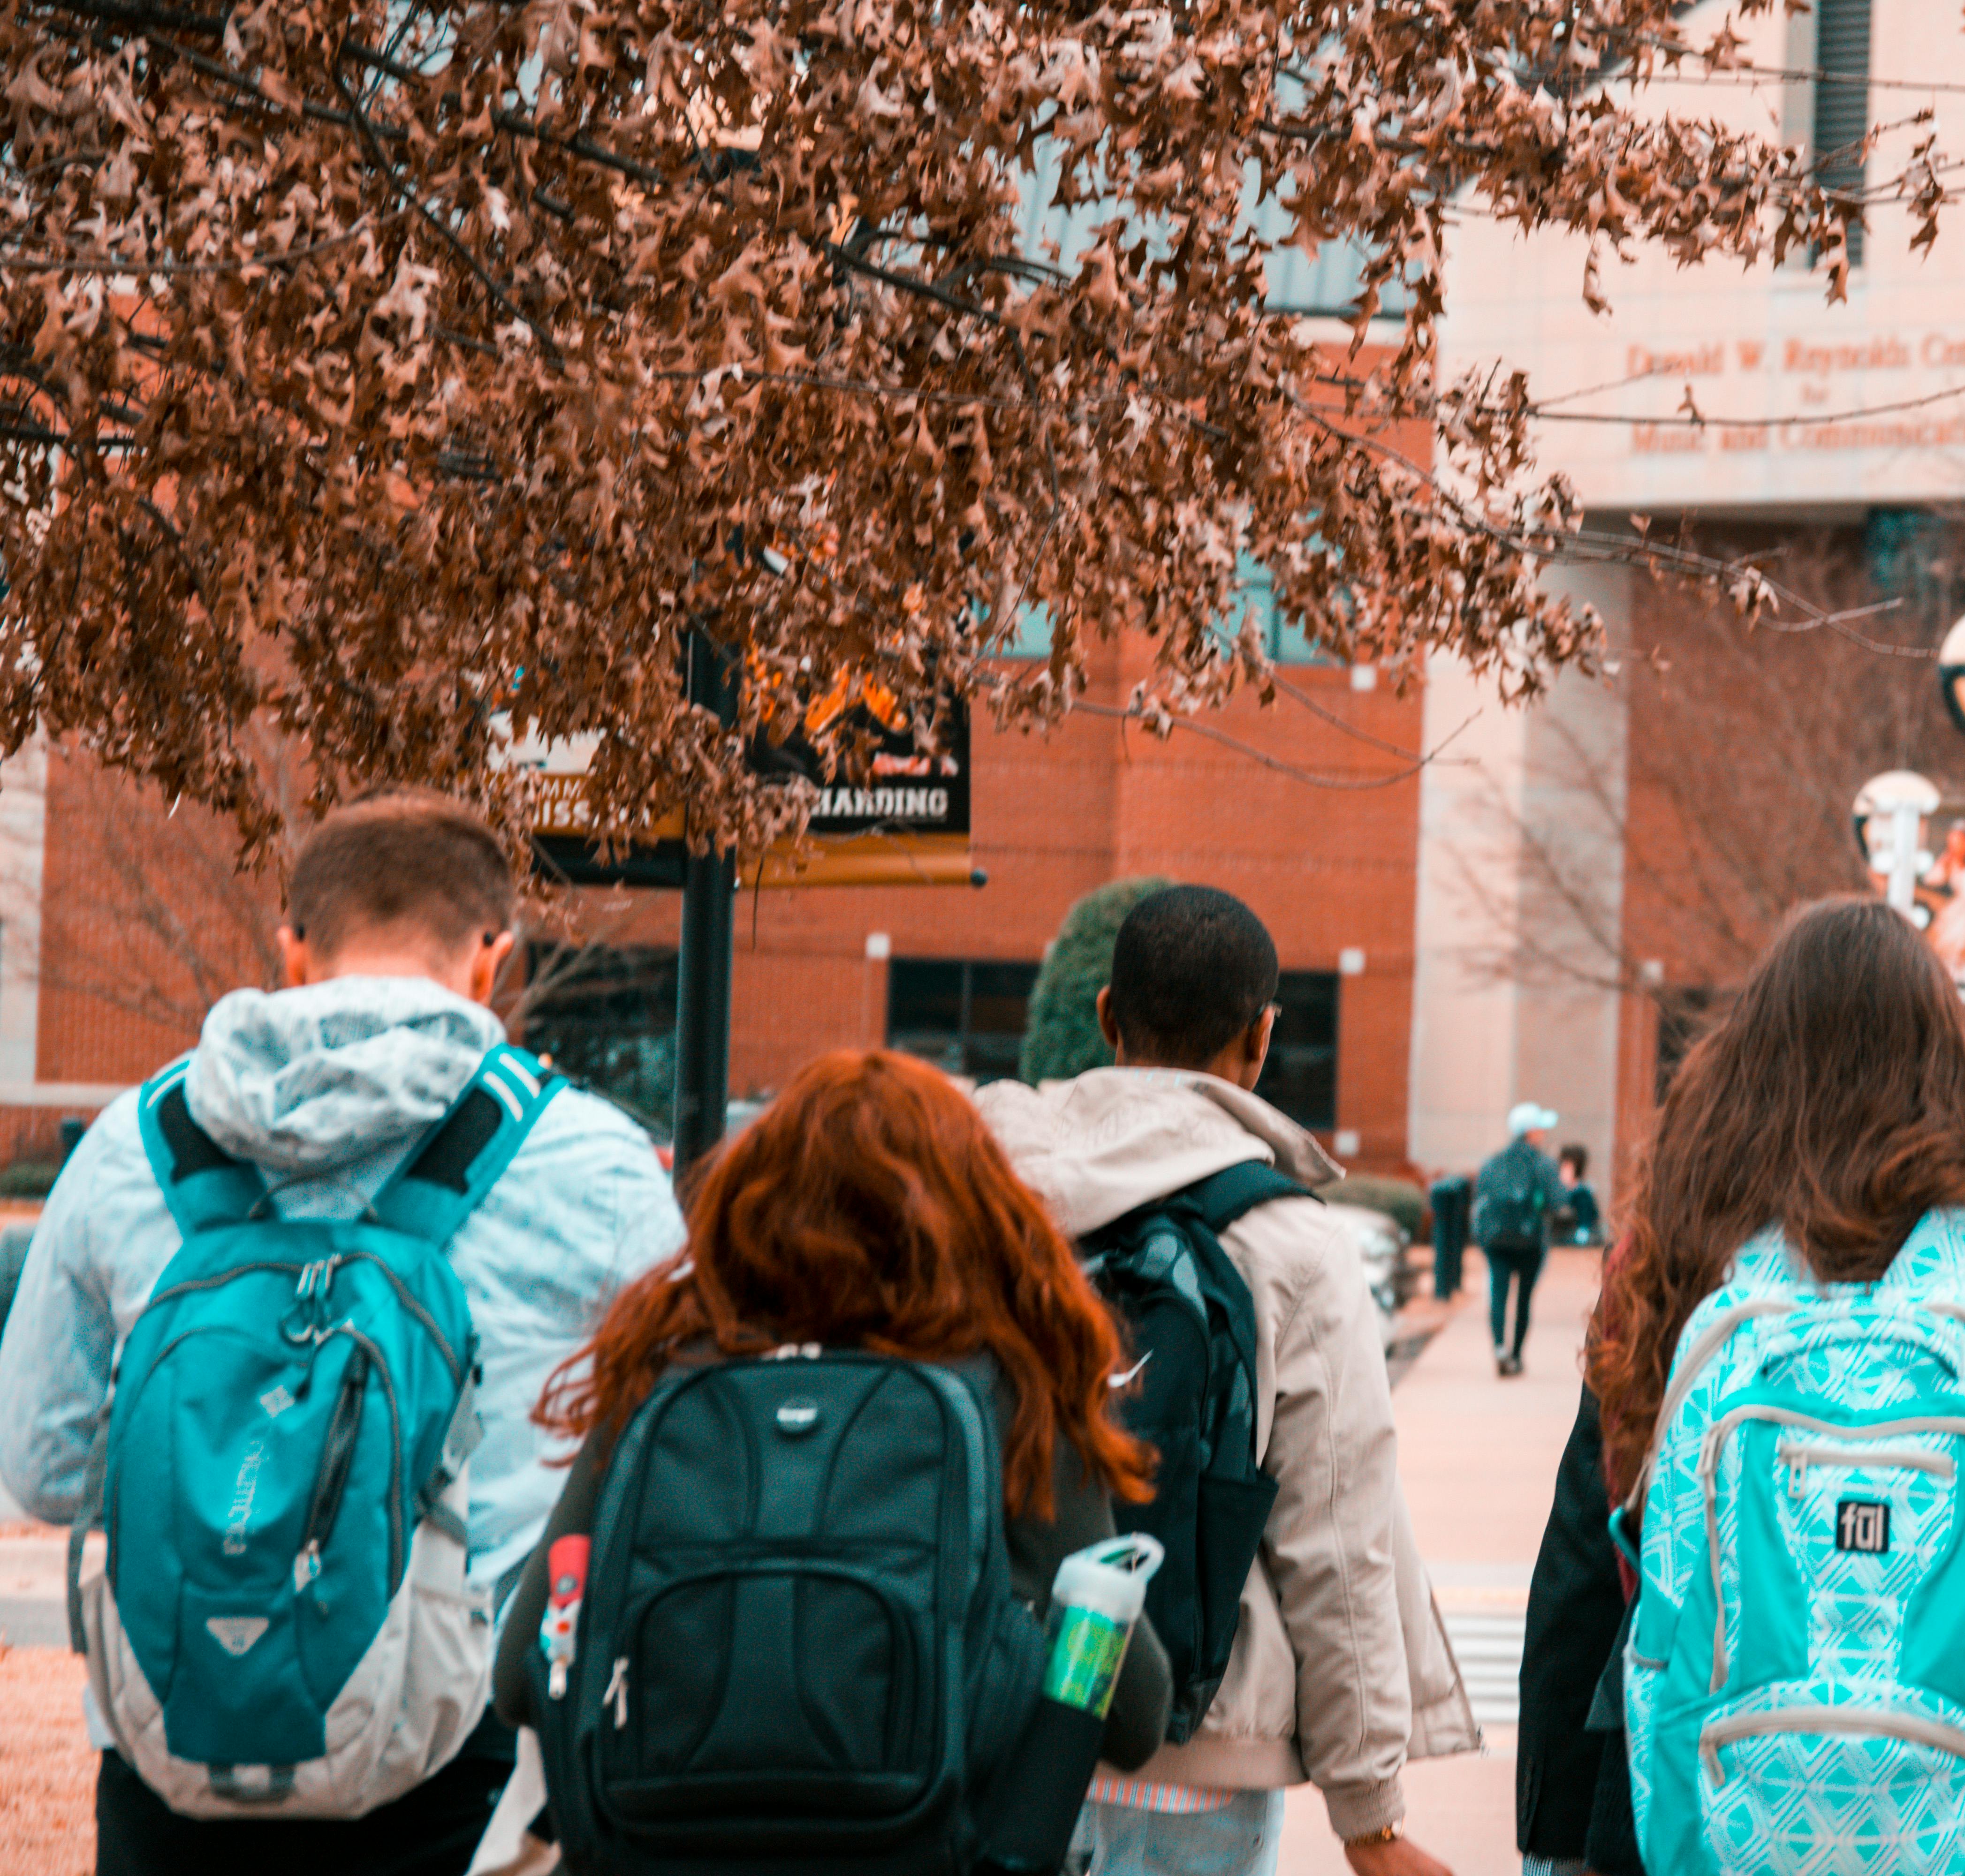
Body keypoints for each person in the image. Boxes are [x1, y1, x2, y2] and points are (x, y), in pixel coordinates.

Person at [0, 790, 685, 1876]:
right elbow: (668, 1472)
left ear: (294, 947)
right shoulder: (591, 1162)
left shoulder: (133, 1147)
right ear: (492, 955)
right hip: (460, 1764)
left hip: (176, 1751)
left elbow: (42, 1468)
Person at [1533, 897, 1965, 1876]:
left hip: (1697, 1804)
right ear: (1952, 1060)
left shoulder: (1680, 1246)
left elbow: (1591, 1552)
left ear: (1752, 1055)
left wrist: (1556, 1828)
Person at [488, 1050, 1173, 1858]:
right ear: (972, 1211)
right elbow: (1134, 1716)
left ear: (751, 1203)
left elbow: (522, 1675)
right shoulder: (1008, 1395)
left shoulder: (664, 1380)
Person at [976, 885, 1477, 1876]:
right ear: (1261, 1037)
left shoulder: (988, 1196)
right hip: (1196, 1754)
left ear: (1108, 1013)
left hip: (997, 1717)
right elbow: (1339, 1538)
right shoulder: (1290, 1240)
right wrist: (1368, 1815)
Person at [1474, 1104, 1571, 1377]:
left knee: (1498, 1294)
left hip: (1497, 1240)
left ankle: (1498, 1348)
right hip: (1531, 1243)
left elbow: (1479, 1198)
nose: (1543, 1133)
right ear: (1531, 1132)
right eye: (1540, 1128)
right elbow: (1558, 1202)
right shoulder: (1543, 1164)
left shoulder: (1494, 1162)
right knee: (1524, 1299)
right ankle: (1516, 1355)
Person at [1553, 1144, 1602, 1248]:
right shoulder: (1559, 1192)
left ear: (1577, 1168)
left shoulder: (1582, 1194)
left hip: (1577, 1243)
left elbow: (1586, 1224)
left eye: (1566, 1166)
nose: (1561, 1170)